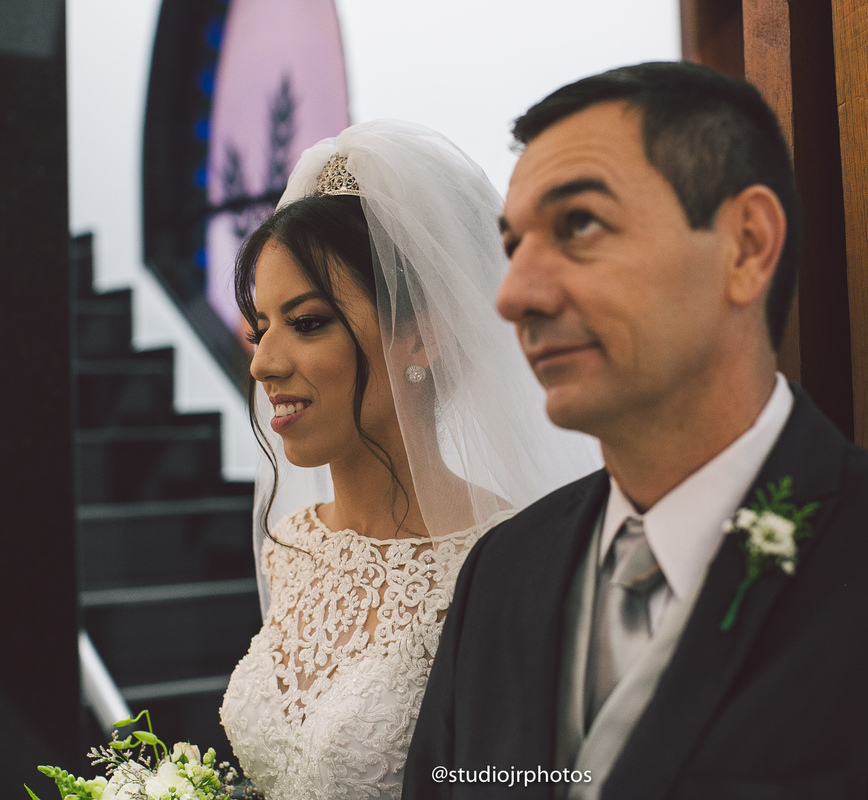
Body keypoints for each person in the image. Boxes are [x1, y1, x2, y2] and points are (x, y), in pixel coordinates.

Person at [403, 62, 868, 799]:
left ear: (746, 245)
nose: (515, 295)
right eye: (513, 247)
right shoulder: (501, 572)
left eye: (579, 225)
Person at [219, 120, 599, 800]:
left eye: (307, 323)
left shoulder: (505, 565)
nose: (264, 364)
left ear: (420, 339)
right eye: (260, 328)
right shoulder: (292, 546)